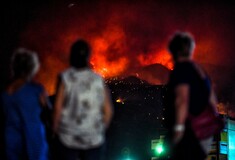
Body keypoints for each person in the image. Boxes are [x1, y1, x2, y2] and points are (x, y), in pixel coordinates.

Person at [53, 39, 113, 160]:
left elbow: (57, 109)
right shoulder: (97, 79)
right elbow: (108, 111)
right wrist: (99, 130)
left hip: (69, 139)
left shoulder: (65, 78)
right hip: (93, 140)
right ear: (88, 56)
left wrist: (55, 131)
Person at [164, 32, 218, 160]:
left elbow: (182, 100)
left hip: (189, 132)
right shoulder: (201, 72)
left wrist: (178, 128)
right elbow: (213, 101)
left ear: (174, 51)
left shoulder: (181, 70)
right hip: (204, 134)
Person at [0, 48, 49, 160]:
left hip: (11, 142)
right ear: (32, 67)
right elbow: (48, 113)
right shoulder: (36, 90)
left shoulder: (5, 92)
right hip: (33, 143)